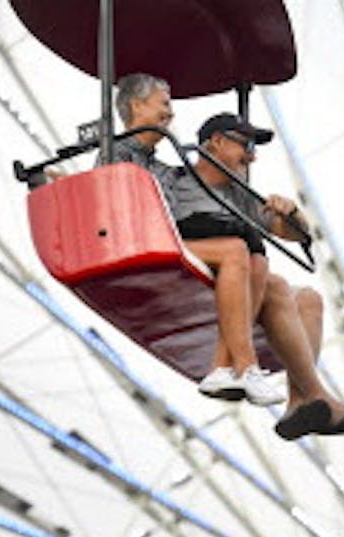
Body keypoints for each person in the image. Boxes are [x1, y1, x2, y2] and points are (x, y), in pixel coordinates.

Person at [113, 74, 344, 439]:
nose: (252, 155)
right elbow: (137, 198)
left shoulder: (241, 195)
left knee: (306, 297)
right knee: (247, 254)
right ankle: (249, 369)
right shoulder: (176, 179)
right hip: (185, 261)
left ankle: (301, 400)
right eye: (245, 144)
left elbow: (292, 234)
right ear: (215, 142)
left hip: (234, 272)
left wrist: (291, 213)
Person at [111, 74, 282, 406]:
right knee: (235, 250)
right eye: (164, 104)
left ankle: (221, 368)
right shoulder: (118, 154)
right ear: (137, 105)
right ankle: (246, 367)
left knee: (256, 256)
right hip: (139, 242)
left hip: (163, 240)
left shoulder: (161, 167)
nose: (171, 114)